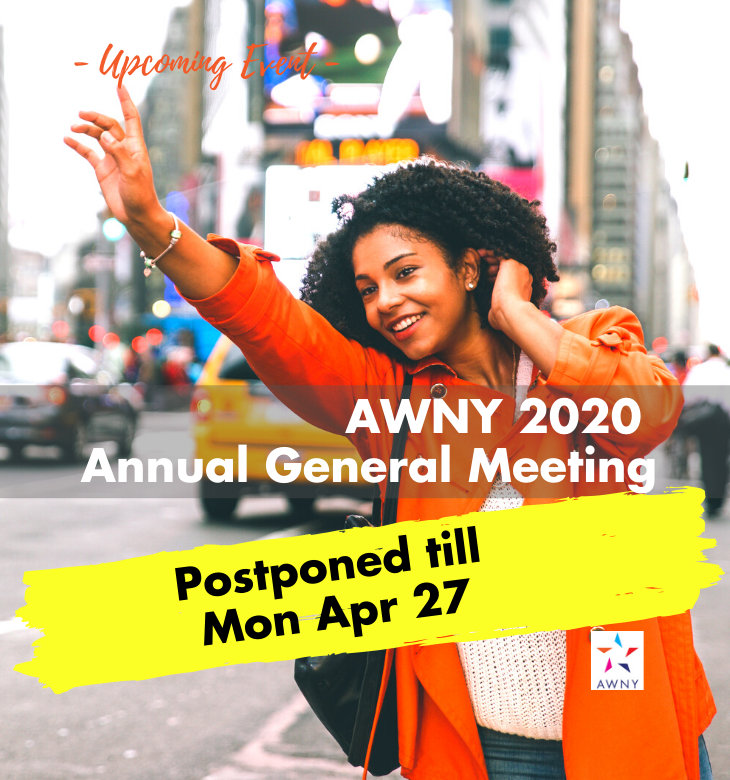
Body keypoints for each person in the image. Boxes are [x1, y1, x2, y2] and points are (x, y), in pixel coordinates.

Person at [64, 85, 715, 780]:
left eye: (405, 273)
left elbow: (648, 417)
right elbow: (264, 318)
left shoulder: (592, 344)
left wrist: (521, 316)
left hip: (633, 733)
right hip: (479, 754)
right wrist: (150, 221)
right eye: (368, 288)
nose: (387, 302)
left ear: (470, 267)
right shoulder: (393, 400)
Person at [681, 344, 730, 518]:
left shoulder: (699, 370)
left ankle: (710, 500)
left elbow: (687, 396)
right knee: (722, 457)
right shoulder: (726, 370)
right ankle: (718, 499)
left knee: (707, 458)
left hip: (704, 420)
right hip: (723, 420)